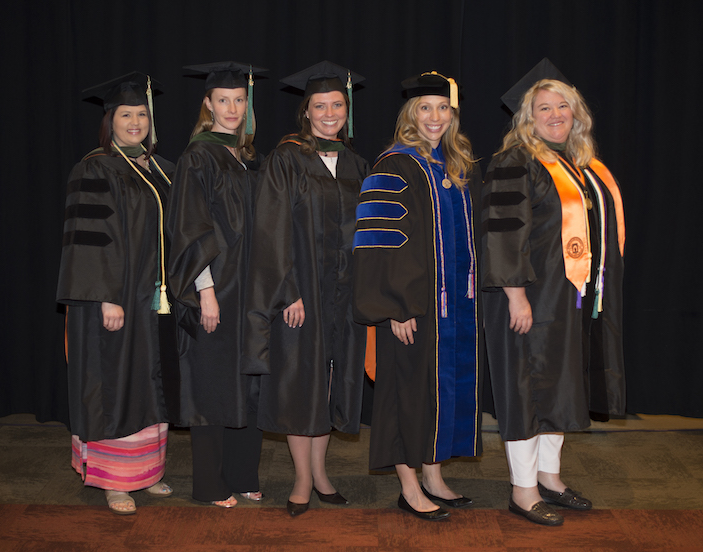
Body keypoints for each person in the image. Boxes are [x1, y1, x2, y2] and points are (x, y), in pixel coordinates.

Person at [479, 59, 626, 526]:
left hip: (568, 300)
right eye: (544, 108)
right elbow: (501, 235)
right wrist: (515, 294)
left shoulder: (584, 166)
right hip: (525, 300)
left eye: (563, 105)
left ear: (577, 113)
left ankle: (550, 478)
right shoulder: (514, 161)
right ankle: (523, 490)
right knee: (527, 389)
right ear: (527, 117)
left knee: (559, 388)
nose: (555, 114)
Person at [352, 72, 483, 521]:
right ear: (410, 114)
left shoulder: (455, 164)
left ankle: (433, 475)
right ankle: (409, 486)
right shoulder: (393, 165)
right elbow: (377, 244)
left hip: (451, 310)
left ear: (453, 114)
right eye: (424, 108)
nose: (434, 116)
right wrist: (392, 308)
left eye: (442, 108)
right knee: (406, 395)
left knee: (437, 395)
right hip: (409, 309)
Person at [241, 61, 368, 516]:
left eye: (337, 104)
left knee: (329, 382)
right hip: (302, 294)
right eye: (321, 106)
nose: (330, 113)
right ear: (307, 112)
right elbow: (270, 229)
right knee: (301, 385)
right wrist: (287, 290)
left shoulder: (357, 162)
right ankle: (301, 479)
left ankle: (321, 473)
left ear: (346, 109)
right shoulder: (286, 159)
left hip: (344, 294)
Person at [56, 72, 175, 515]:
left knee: (146, 382)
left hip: (150, 299)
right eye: (126, 114)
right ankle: (114, 480)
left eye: (142, 114)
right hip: (113, 300)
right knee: (114, 384)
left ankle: (147, 473)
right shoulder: (94, 168)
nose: (136, 122)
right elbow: (88, 239)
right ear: (110, 120)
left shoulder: (156, 167)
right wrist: (106, 295)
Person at [166, 61, 266, 508]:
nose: (232, 108)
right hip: (216, 290)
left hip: (248, 291)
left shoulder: (246, 157)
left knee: (247, 381)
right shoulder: (198, 156)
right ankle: (209, 484)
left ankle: (244, 473)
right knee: (211, 383)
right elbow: (190, 227)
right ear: (208, 104)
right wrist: (204, 291)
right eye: (223, 100)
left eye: (239, 100)